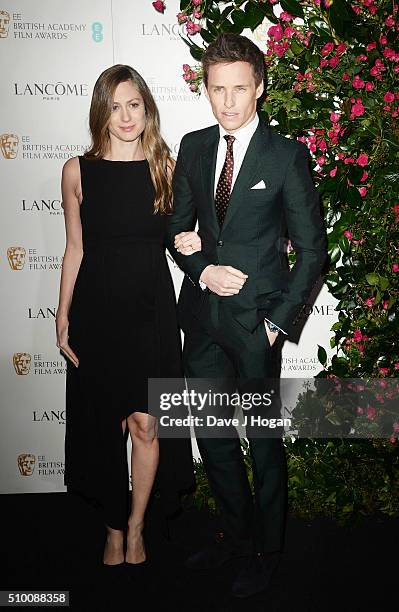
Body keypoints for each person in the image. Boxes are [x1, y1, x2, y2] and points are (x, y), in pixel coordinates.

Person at [166, 33, 328, 598]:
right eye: (217, 90)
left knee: (261, 440)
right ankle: (235, 536)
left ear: (259, 86)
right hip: (202, 319)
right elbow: (176, 229)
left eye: (239, 88)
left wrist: (276, 322)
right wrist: (200, 268)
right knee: (211, 437)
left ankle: (268, 549)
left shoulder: (285, 155)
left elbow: (312, 252)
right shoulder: (191, 147)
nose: (228, 101)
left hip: (257, 326)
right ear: (206, 91)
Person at [56, 64, 198, 568]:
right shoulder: (78, 171)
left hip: (152, 312)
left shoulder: (166, 167)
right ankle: (112, 528)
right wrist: (61, 316)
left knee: (147, 425)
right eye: (114, 106)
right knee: (105, 429)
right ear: (101, 111)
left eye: (133, 104)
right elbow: (74, 248)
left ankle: (136, 528)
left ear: (147, 108)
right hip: (97, 313)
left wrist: (195, 245)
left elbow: (184, 242)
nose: (125, 115)